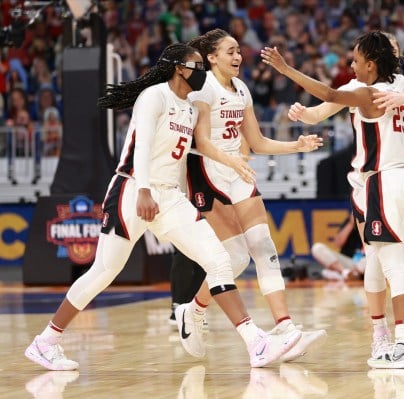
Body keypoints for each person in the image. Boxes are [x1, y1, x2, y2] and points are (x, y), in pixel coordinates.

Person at [24, 43, 301, 371]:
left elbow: (204, 146)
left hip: (169, 196)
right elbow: (141, 148)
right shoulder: (154, 96)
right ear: (180, 69)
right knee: (103, 272)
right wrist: (143, 190)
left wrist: (235, 158)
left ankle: (255, 343)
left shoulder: (190, 106)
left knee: (219, 260)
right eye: (196, 65)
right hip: (132, 189)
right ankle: (46, 340)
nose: (202, 72)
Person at [265, 32, 404, 359]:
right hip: (383, 181)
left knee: (398, 261)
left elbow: (330, 92)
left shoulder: (386, 87)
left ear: (373, 60)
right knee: (391, 262)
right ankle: (394, 337)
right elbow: (322, 109)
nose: (351, 65)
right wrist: (302, 115)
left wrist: (286, 70)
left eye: (355, 59)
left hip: (384, 180)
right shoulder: (365, 88)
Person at [170, 29, 326, 363]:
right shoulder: (204, 89)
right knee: (235, 258)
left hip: (236, 169)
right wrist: (231, 161)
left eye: (239, 50)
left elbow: (256, 142)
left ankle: (285, 328)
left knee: (264, 246)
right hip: (208, 172)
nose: (238, 56)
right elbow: (201, 142)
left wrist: (296, 145)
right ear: (211, 57)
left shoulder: (241, 89)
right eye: (230, 51)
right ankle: (193, 311)